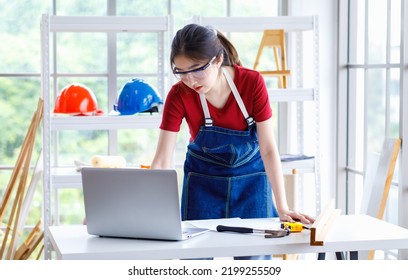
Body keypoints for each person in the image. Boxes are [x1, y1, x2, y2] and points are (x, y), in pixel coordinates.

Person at [151, 23, 314, 259]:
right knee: (194, 262)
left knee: (254, 264)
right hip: (202, 186)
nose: (190, 80)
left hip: (252, 185)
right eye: (181, 71)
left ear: (217, 60)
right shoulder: (179, 94)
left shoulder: (252, 83)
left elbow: (268, 149)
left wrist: (283, 207)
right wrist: (153, 214)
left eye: (197, 69)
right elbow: (162, 159)